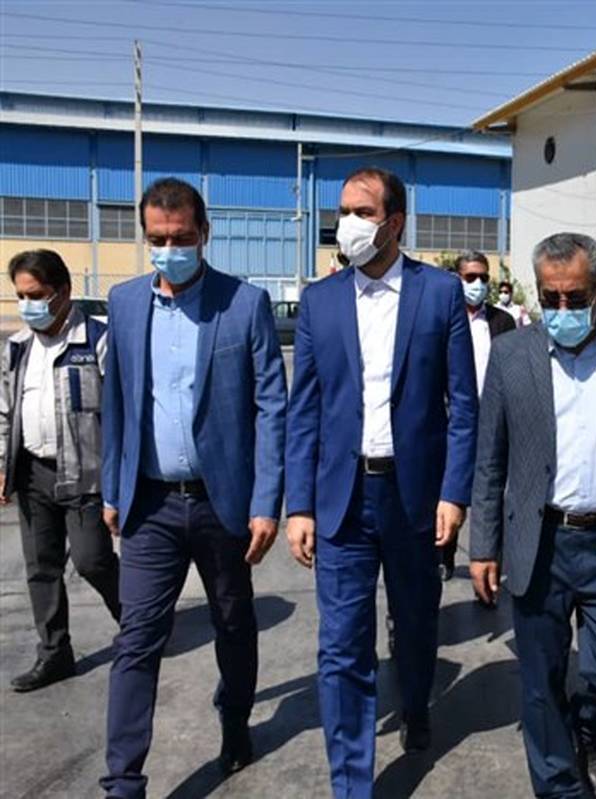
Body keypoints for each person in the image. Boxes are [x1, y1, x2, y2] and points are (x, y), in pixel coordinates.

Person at [285, 166, 477, 797]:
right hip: (341, 501)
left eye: (362, 212)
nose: (347, 223)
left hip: (413, 496)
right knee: (342, 646)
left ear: (394, 222)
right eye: (343, 210)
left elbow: (462, 405)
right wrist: (299, 504)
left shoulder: (439, 293)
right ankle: (352, 784)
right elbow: (305, 409)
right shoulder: (320, 301)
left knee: (415, 624)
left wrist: (454, 493)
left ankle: (416, 702)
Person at [100, 178, 287, 798]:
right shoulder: (125, 303)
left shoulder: (244, 304)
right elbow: (117, 403)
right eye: (157, 239)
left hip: (221, 503)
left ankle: (235, 719)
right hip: (150, 504)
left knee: (233, 623)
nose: (169, 250)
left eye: (181, 238)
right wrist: (111, 488)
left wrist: (266, 503)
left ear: (204, 234)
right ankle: (123, 780)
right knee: (137, 640)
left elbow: (271, 408)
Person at [470, 232, 596, 798]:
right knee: (540, 680)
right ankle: (560, 785)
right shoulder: (512, 355)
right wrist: (483, 547)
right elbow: (490, 459)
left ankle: (585, 727)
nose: (562, 309)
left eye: (575, 298)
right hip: (540, 542)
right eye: (549, 298)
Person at [0, 249, 120, 693]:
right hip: (32, 473)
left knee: (92, 560)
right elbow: (5, 411)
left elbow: (120, 414)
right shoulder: (17, 348)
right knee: (41, 567)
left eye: (36, 295)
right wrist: (2, 464)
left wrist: (118, 480)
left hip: (85, 473)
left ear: (63, 292)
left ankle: (137, 622)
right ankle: (55, 653)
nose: (27, 305)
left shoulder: (97, 341)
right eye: (20, 296)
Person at [448, 250, 515, 581]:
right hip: (454, 418)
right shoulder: (446, 318)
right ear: (457, 278)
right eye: (470, 277)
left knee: (492, 490)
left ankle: (492, 559)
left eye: (483, 277)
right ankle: (444, 553)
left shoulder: (503, 321)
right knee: (451, 487)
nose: (478, 283)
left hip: (493, 416)